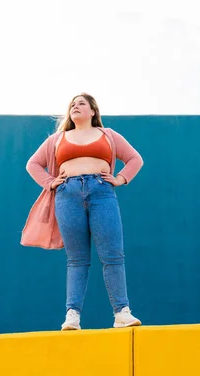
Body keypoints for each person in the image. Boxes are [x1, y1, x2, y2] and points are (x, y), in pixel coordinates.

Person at [21, 92, 144, 331]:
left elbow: (135, 159)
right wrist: (50, 182)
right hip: (68, 195)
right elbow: (33, 164)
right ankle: (72, 316)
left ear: (93, 111)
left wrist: (120, 179)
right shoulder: (58, 138)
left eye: (81, 104)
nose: (75, 107)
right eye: (72, 105)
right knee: (77, 259)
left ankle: (122, 313)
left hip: (102, 193)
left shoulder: (108, 135)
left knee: (113, 256)